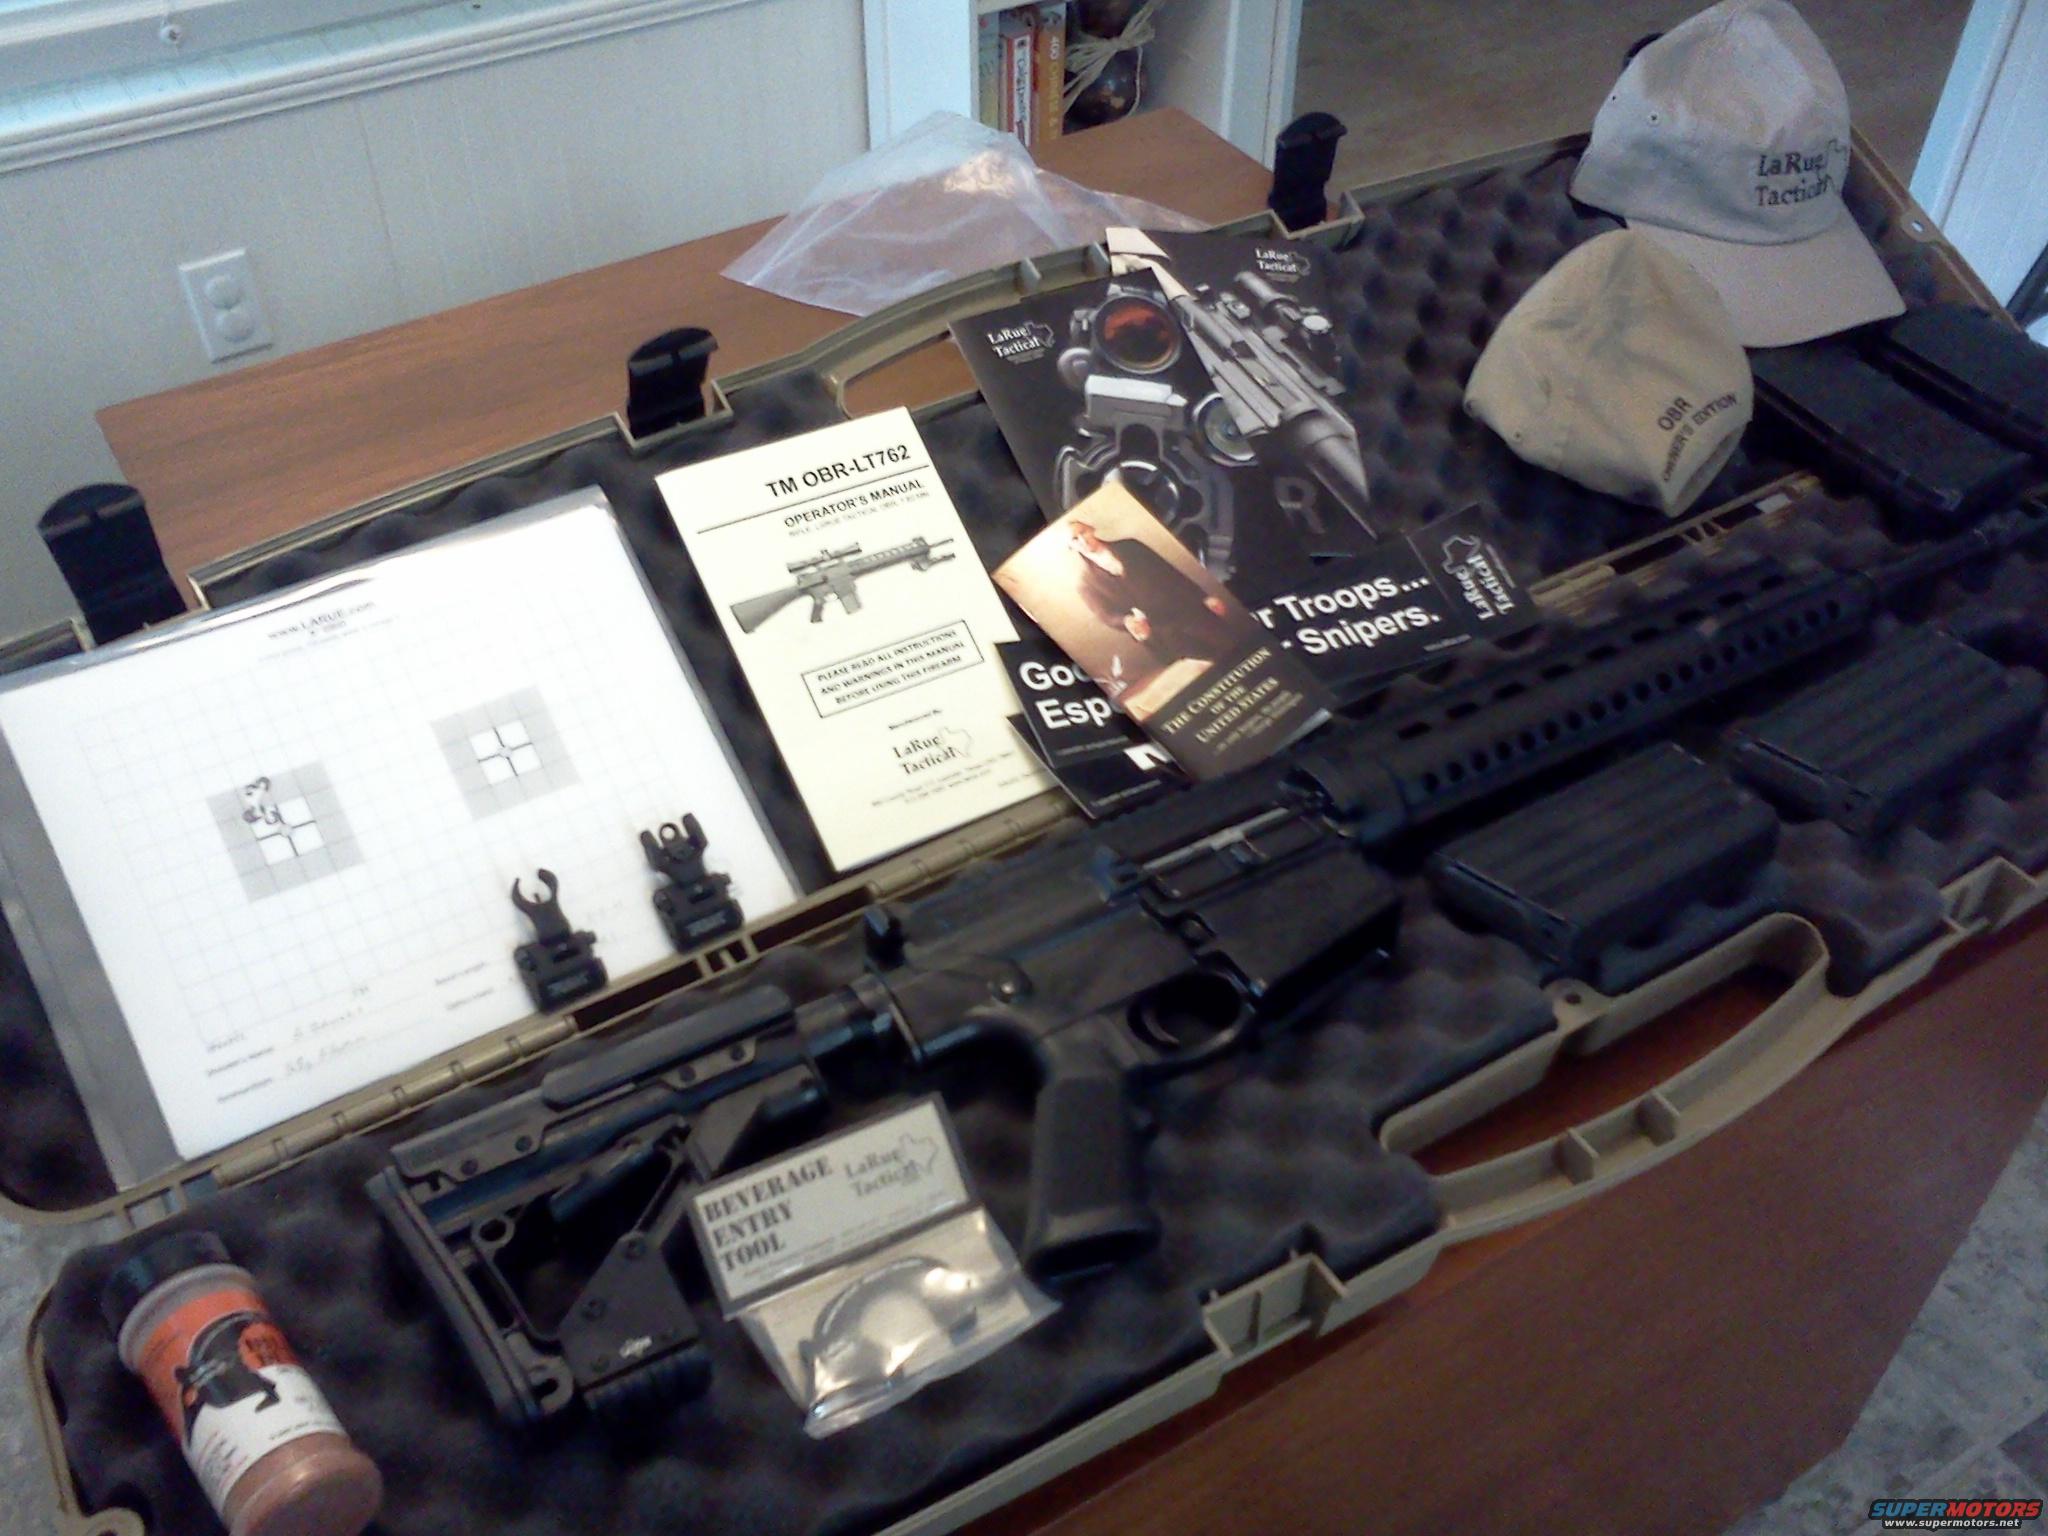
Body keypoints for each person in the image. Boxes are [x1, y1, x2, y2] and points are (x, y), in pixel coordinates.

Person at [1065, 519, 1240, 666]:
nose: (1082, 540)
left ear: (1092, 529)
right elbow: (1105, 615)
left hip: (1186, 609)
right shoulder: (1085, 583)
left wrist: (1204, 597)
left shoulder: (1130, 546)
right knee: (1205, 670)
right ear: (1071, 547)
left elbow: (1169, 572)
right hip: (1159, 633)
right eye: (1075, 539)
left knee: (1232, 648)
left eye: (1083, 532)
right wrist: (1127, 621)